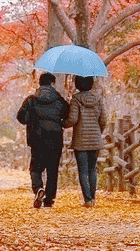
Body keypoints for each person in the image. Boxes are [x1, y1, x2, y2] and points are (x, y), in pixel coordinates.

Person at [17, 72, 69, 208]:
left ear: (40, 83)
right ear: (52, 83)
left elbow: (21, 117)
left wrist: (31, 119)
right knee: (53, 170)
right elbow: (67, 115)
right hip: (55, 138)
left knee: (36, 168)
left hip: (37, 138)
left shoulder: (31, 100)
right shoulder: (59, 100)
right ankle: (49, 199)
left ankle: (38, 189)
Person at [64, 75, 107, 207]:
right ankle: (93, 198)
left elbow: (73, 119)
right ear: (91, 83)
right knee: (92, 169)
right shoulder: (98, 99)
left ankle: (87, 199)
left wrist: (63, 123)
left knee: (83, 171)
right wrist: (98, 132)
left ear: (78, 84)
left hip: (80, 140)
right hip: (95, 139)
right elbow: (103, 120)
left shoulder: (76, 99)